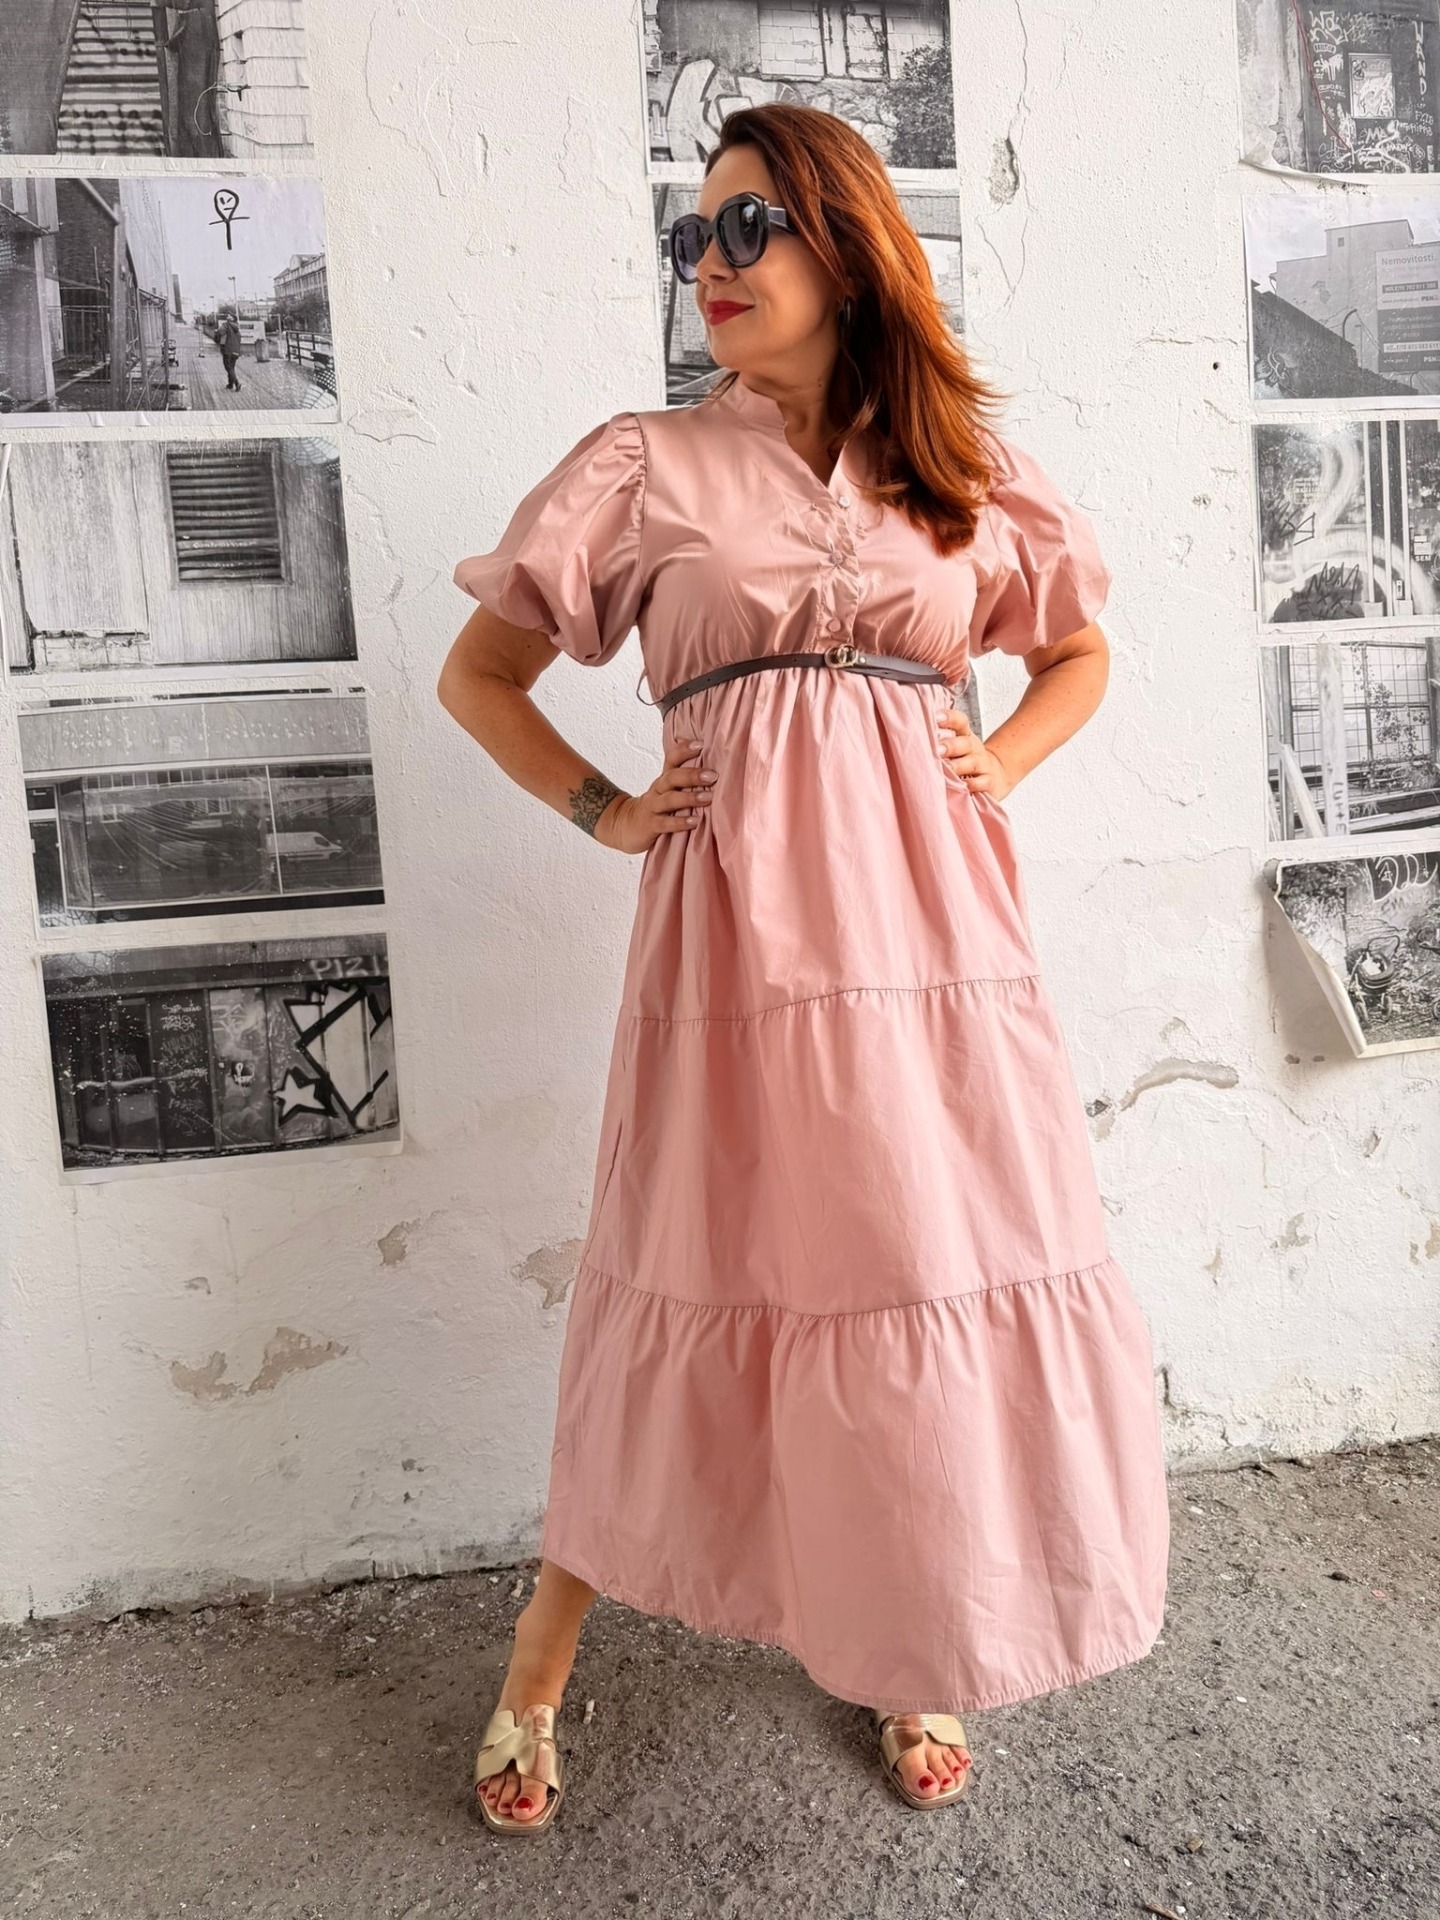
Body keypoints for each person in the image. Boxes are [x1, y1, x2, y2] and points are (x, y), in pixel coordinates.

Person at [439, 101, 1170, 1834]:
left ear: (845, 248)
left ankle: (909, 1632)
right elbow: (482, 677)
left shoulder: (959, 467)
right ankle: (539, 1664)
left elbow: (1076, 654)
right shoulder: (642, 463)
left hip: (936, 950)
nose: (710, 262)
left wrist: (1001, 762)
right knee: (690, 1262)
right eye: (690, 236)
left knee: (912, 1267)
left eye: (747, 226)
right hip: (737, 944)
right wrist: (608, 809)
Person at [216, 313, 242, 391]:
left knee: (228, 367)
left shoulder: (226, 325)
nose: (228, 316)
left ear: (232, 318)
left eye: (230, 315)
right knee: (231, 368)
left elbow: (219, 332)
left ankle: (237, 383)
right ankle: (230, 384)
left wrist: (216, 334)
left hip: (228, 350)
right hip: (236, 351)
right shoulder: (237, 327)